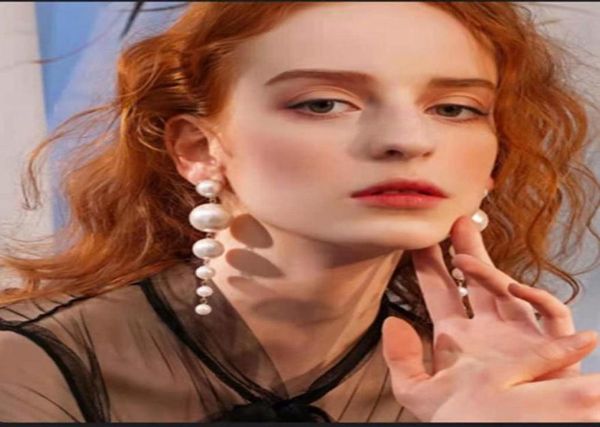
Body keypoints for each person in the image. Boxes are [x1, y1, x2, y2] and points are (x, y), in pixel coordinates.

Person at [0, 1, 599, 422]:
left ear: (495, 157)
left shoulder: (489, 383)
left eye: (454, 109)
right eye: (323, 103)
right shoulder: (30, 365)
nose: (407, 140)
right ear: (199, 149)